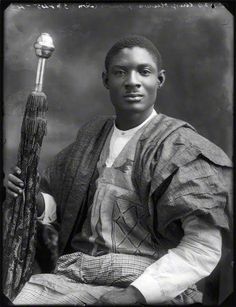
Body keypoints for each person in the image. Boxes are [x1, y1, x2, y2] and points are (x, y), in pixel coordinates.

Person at [6, 35, 232, 305]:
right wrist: (34, 199)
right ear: (106, 80)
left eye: (144, 72)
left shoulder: (183, 149)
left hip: (148, 284)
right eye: (120, 72)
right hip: (77, 274)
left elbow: (202, 248)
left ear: (159, 80)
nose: (132, 81)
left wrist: (135, 294)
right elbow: (64, 210)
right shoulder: (91, 136)